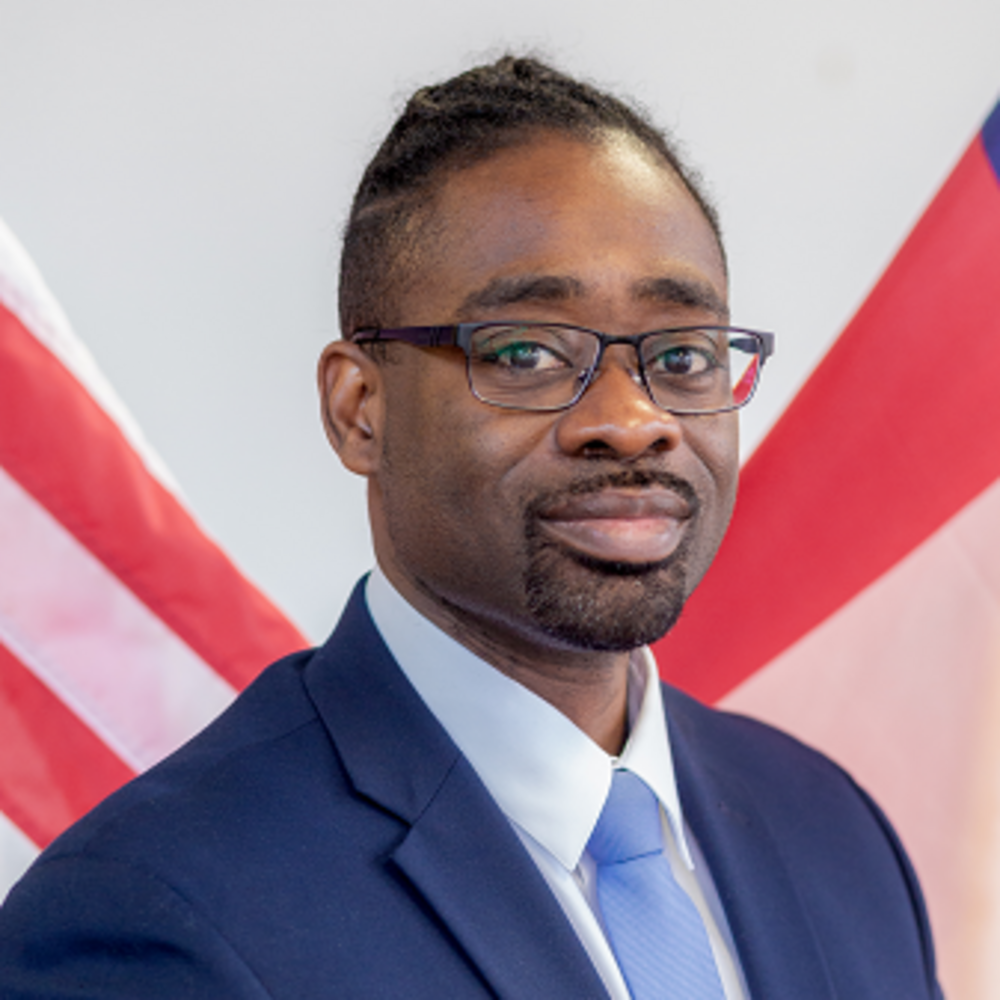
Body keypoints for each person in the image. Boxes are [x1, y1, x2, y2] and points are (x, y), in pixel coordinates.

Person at [0, 56, 943, 999]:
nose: (632, 420)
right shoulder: (148, 917)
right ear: (359, 408)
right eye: (526, 352)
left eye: (684, 355)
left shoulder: (834, 831)